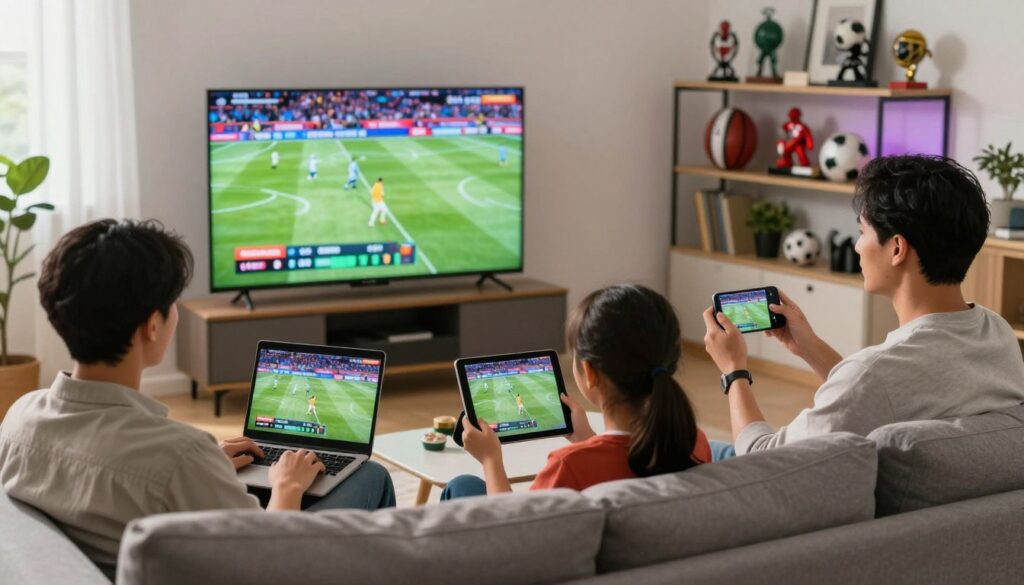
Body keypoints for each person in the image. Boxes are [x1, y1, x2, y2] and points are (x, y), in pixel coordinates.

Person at [0, 219, 395, 574]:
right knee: (371, 476)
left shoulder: (19, 417)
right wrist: (287, 486)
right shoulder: (181, 456)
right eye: (172, 302)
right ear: (152, 325)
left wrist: (209, 467)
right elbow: (267, 559)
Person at [703, 155, 1024, 459]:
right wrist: (809, 347)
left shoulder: (873, 376)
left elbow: (761, 457)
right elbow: (881, 395)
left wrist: (734, 370)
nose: (857, 246)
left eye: (861, 231)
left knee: (701, 448)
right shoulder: (997, 333)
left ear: (896, 249)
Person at [441, 284, 712, 498]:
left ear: (590, 372)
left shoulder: (569, 466)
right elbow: (620, 466)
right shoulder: (694, 442)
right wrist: (587, 439)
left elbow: (517, 528)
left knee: (461, 486)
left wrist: (491, 460)